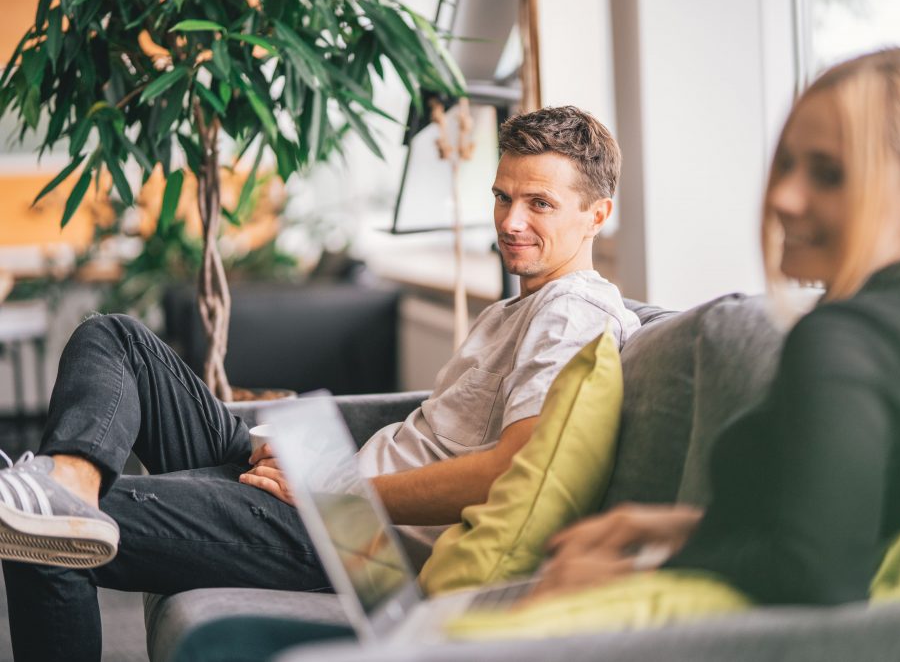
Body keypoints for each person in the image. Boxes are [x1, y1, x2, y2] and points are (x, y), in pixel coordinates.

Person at [0, 105, 640, 661]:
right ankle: (69, 481)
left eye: (540, 204)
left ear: (597, 215)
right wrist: (303, 451)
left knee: (37, 529)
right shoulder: (514, 308)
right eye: (503, 196)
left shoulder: (572, 313)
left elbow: (511, 469)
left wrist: (338, 494)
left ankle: (61, 503)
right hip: (329, 488)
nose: (510, 221)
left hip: (353, 534)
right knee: (115, 337)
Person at [532, 49, 900, 607]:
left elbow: (816, 576)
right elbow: (847, 530)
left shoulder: (842, 340)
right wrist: (677, 528)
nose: (784, 196)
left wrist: (646, 563)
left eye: (829, 175)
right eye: (787, 163)